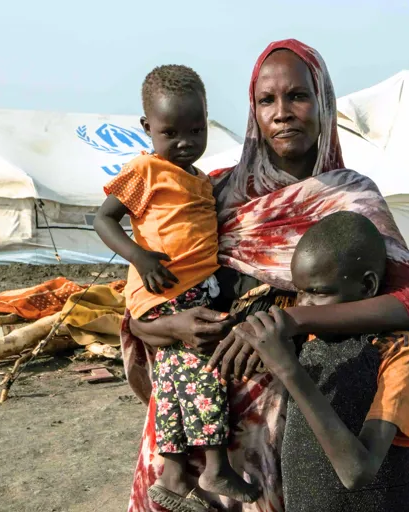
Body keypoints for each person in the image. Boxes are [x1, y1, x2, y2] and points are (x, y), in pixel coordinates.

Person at [120, 39, 409, 512]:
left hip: (289, 422)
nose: (282, 112)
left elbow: (407, 305)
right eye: (267, 100)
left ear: (323, 101)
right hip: (195, 430)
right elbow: (145, 299)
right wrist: (167, 326)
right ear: (253, 112)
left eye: (298, 96)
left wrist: (294, 321)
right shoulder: (209, 193)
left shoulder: (350, 201)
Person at [95, 64, 260, 509]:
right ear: (148, 128)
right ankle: (215, 467)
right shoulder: (145, 170)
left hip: (191, 288)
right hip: (165, 288)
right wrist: (139, 257)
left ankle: (170, 475)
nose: (186, 141)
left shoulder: (202, 179)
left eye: (196, 128)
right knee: (206, 368)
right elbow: (102, 218)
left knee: (174, 377)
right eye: (172, 132)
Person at [234, 211, 409, 511]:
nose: (303, 306)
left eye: (317, 293)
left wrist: (288, 369)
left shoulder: (398, 349)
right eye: (299, 292)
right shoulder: (311, 340)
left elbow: (357, 472)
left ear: (366, 287)